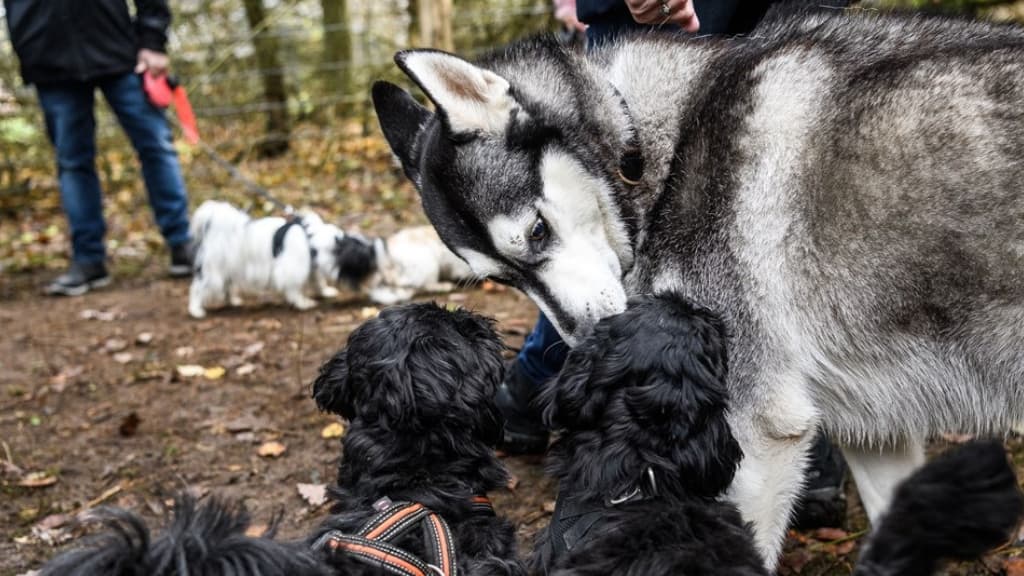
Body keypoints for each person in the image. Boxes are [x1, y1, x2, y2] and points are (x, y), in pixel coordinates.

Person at [503, 0, 850, 529]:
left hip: (778, 22)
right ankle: (612, 456)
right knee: (631, 233)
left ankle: (544, 397)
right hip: (659, 25)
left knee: (782, 224)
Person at [4, 0, 193, 296]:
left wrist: (152, 41)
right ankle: (88, 260)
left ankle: (183, 244)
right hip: (48, 61)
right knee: (72, 162)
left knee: (156, 146)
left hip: (119, 51)